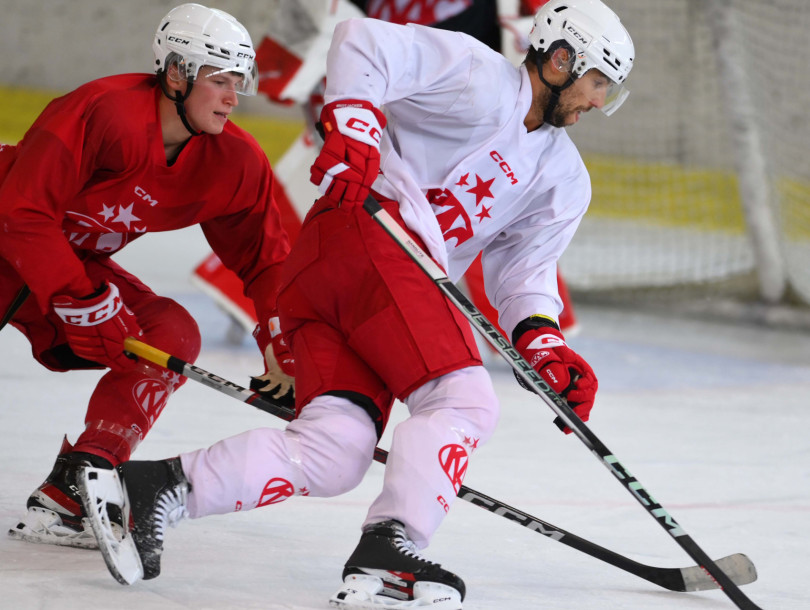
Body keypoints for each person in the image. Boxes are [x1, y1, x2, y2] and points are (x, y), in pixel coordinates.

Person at [79, 1, 634, 608]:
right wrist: (356, 127)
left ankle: (154, 488)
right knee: (463, 399)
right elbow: (361, 40)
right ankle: (392, 548)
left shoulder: (564, 176)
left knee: (335, 450)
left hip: (335, 270)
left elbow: (523, 271)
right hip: (372, 233)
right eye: (597, 82)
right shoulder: (479, 75)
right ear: (560, 60)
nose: (598, 102)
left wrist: (544, 344)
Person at [0, 3, 294, 550]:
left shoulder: (233, 162)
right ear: (177, 72)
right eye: (220, 80)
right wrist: (82, 298)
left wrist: (281, 340)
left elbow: (267, 260)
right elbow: (21, 212)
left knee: (170, 334)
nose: (233, 97)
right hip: (10, 237)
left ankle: (77, 485)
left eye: (239, 82)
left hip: (61, 264)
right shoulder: (102, 111)